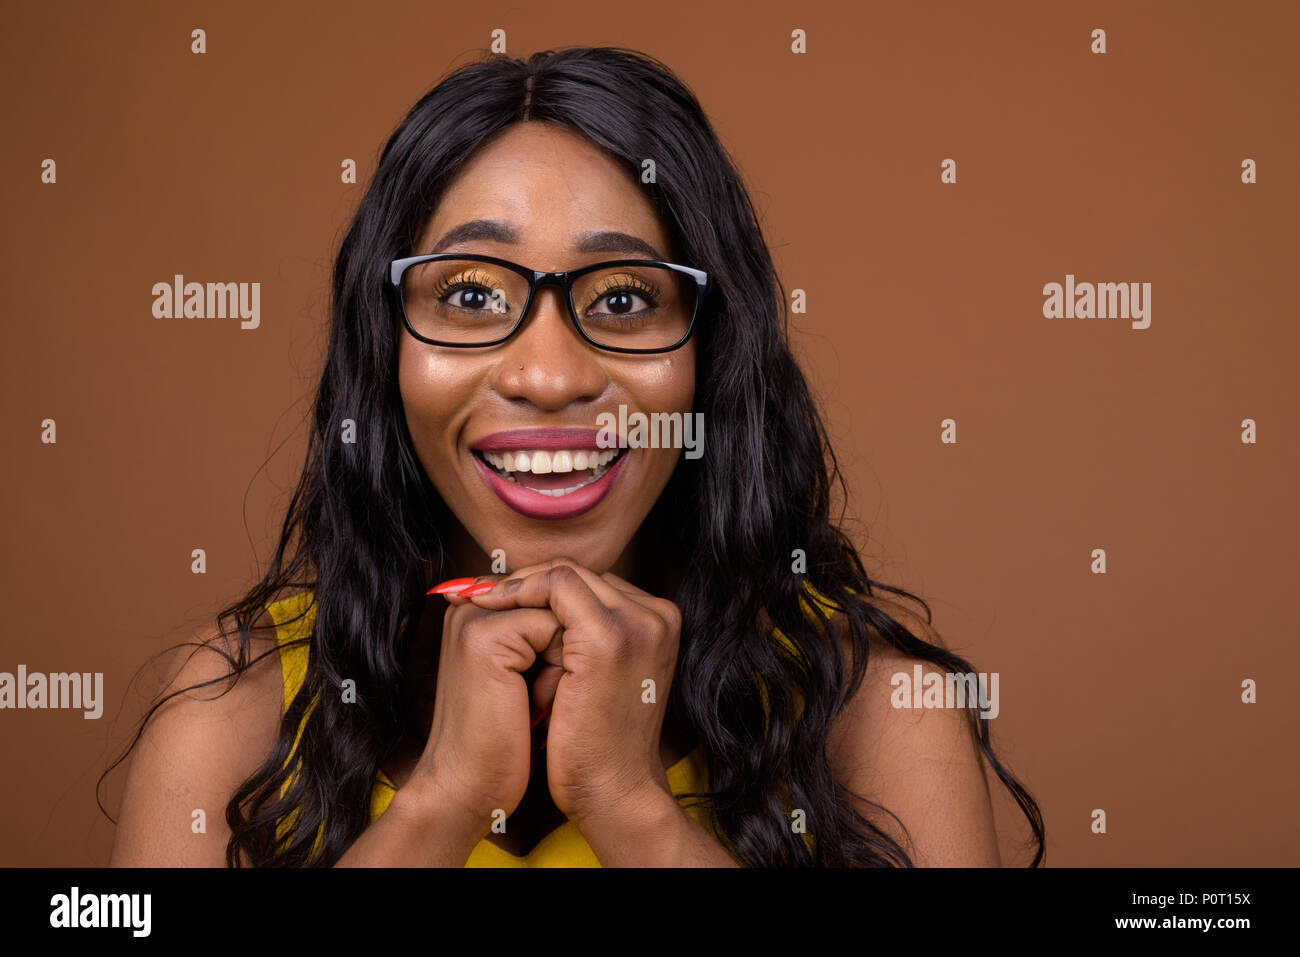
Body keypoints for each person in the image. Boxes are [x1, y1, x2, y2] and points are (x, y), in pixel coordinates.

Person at [106, 46, 1044, 867]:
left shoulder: (875, 713)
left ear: (709, 352)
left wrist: (631, 809)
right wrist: (441, 802)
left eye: (626, 299)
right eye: (470, 296)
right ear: (383, 347)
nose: (550, 375)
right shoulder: (234, 708)